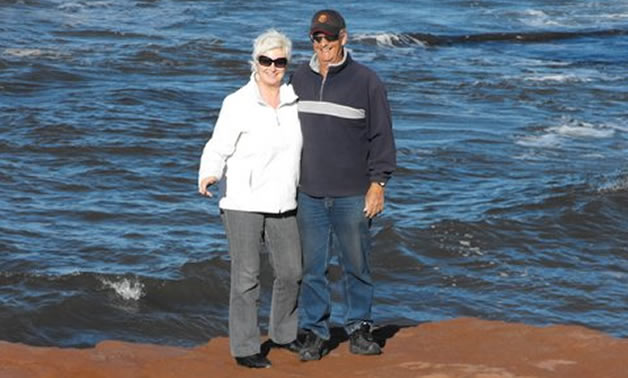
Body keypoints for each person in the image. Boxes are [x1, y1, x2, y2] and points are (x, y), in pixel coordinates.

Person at [290, 9, 396, 361]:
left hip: (353, 193)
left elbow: (382, 136)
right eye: (317, 38)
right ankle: (315, 332)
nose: (323, 44)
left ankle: (359, 328)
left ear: (344, 38)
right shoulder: (297, 79)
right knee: (313, 268)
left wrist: (378, 183)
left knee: (356, 264)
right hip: (308, 194)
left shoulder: (367, 81)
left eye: (329, 38)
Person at [198, 29, 302, 369]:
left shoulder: (294, 101)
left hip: (284, 201)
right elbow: (218, 145)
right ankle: (244, 347)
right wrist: (209, 172)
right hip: (243, 202)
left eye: (280, 61)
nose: (273, 67)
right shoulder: (237, 102)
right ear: (255, 62)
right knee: (247, 277)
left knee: (291, 272)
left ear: (287, 64)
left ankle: (285, 335)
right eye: (266, 60)